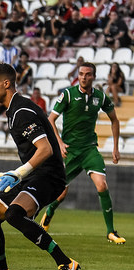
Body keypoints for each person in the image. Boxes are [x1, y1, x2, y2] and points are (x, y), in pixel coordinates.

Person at [0, 63, 79, 270]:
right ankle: (1, 269)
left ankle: (66, 263)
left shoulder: (21, 112)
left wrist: (18, 173)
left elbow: (46, 150)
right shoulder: (14, 109)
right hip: (34, 174)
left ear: (6, 84)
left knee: (15, 215)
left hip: (49, 176)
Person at [40, 62, 125, 244]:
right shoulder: (69, 94)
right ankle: (49, 212)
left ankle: (111, 232)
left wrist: (115, 147)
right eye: (81, 74)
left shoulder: (100, 97)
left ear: (93, 77)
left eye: (87, 74)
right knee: (61, 194)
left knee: (102, 185)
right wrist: (60, 143)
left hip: (89, 150)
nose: (84, 77)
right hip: (69, 151)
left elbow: (115, 120)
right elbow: (51, 119)